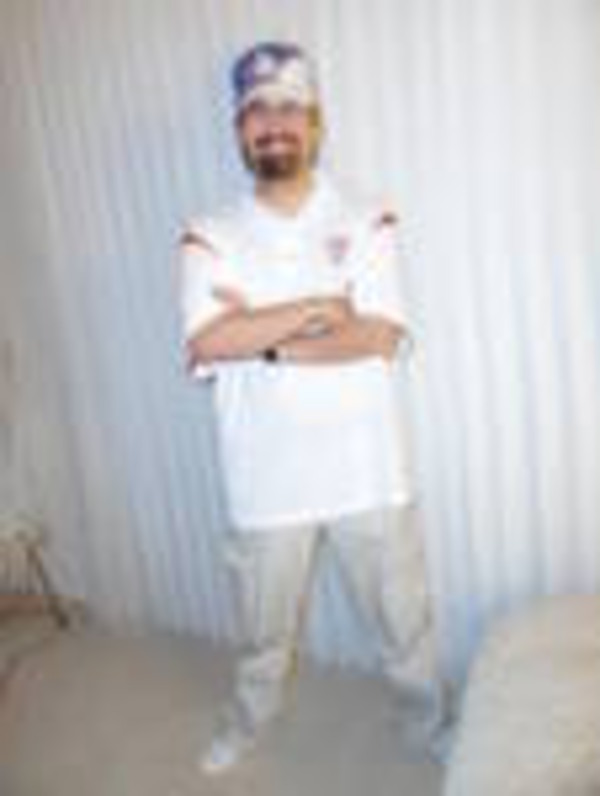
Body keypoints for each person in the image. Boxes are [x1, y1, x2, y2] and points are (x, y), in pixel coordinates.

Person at [178, 41, 447, 775]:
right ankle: (248, 722)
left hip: (368, 470)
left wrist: (261, 337)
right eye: (256, 111)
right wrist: (319, 308)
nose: (274, 124)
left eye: (289, 108)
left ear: (315, 122)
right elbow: (208, 340)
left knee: (404, 626)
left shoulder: (367, 217)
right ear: (239, 129)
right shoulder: (209, 233)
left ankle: (428, 726)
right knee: (262, 635)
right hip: (265, 480)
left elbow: (379, 334)